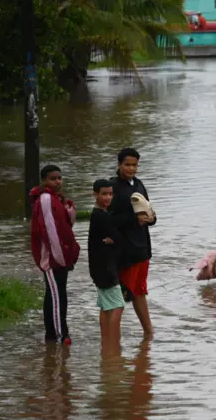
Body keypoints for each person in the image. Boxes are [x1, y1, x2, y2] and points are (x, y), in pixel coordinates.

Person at [109, 147, 157, 339]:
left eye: (135, 165)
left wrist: (151, 219)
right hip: (126, 251)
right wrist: (133, 221)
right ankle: (112, 340)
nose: (131, 169)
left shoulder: (139, 185)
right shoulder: (112, 187)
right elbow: (109, 220)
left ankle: (149, 333)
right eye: (127, 165)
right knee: (121, 296)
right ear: (119, 165)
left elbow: (149, 211)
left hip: (142, 249)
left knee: (140, 292)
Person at [30, 165, 80, 345]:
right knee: (57, 296)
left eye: (59, 178)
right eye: (53, 178)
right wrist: (59, 259)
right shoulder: (45, 199)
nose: (58, 181)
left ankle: (52, 334)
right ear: (44, 180)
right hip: (52, 258)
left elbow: (66, 226)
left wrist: (68, 208)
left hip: (61, 256)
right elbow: (49, 231)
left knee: (56, 294)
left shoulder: (56, 199)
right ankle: (61, 334)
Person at [88, 179, 125, 352]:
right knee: (118, 305)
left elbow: (113, 238)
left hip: (97, 267)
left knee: (105, 305)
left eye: (110, 194)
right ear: (95, 194)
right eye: (104, 194)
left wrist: (113, 240)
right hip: (106, 268)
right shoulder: (102, 216)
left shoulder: (97, 214)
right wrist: (114, 240)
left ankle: (106, 341)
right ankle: (113, 342)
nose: (108, 197)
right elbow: (119, 238)